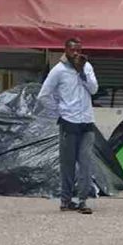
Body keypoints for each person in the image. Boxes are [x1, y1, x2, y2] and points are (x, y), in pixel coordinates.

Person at [37, 38, 99, 214]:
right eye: (72, 50)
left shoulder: (87, 67)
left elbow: (94, 90)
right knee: (68, 164)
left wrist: (83, 74)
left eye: (78, 50)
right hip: (68, 122)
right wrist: (59, 112)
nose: (76, 53)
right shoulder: (58, 70)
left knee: (86, 163)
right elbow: (44, 95)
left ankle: (82, 201)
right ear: (65, 50)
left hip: (87, 121)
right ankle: (66, 200)